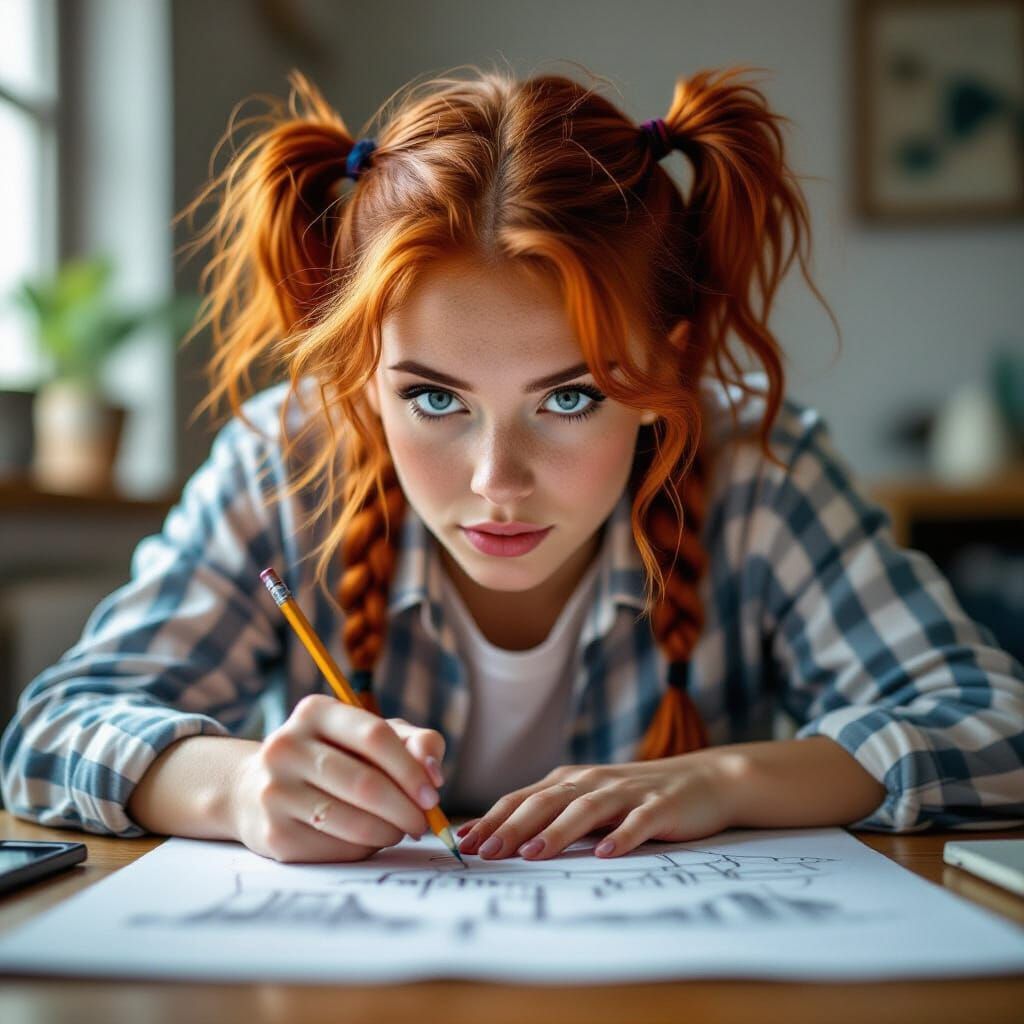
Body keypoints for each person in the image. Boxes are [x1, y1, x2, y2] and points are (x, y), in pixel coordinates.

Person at [2, 64, 1022, 867]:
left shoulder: (756, 470)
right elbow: (50, 730)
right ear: (365, 376)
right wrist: (231, 786)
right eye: (432, 398)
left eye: (570, 398)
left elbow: (994, 726)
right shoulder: (289, 457)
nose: (496, 478)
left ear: (670, 358)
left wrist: (728, 780)